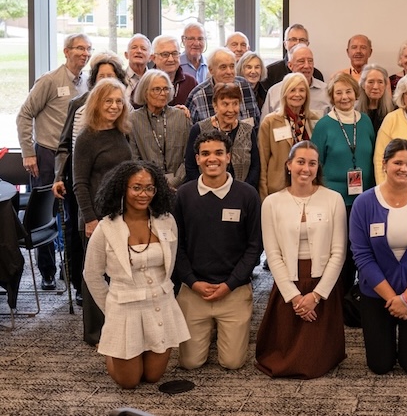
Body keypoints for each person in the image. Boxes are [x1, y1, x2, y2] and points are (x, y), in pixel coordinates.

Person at [83, 161, 189, 389]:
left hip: (160, 305)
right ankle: (112, 346)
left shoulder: (166, 221)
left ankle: (132, 349)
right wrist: (111, 308)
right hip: (125, 308)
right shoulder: (106, 228)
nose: (144, 194)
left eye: (150, 188)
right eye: (137, 188)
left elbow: (170, 265)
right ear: (122, 188)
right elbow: (92, 274)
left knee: (152, 377)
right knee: (129, 382)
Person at [349, 139, 407, 375]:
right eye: (397, 162)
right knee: (379, 365)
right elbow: (362, 256)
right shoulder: (364, 203)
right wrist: (393, 298)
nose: (404, 169)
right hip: (377, 292)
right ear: (384, 164)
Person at [257, 140, 348, 378]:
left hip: (322, 283)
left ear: (318, 168)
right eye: (300, 162)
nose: (305, 168)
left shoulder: (334, 199)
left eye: (312, 163)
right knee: (282, 358)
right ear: (288, 165)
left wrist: (316, 296)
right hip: (289, 282)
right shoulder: (271, 203)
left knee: (315, 361)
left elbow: (338, 252)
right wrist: (295, 298)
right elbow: (273, 254)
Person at [174, 130, 263, 370]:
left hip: (233, 290)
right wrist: (192, 282)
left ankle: (220, 331)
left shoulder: (247, 195)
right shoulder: (183, 195)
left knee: (232, 362)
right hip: (194, 291)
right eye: (205, 154)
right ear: (197, 159)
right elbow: (176, 247)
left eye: (218, 153)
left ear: (229, 157)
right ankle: (207, 333)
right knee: (190, 363)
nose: (212, 159)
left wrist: (231, 283)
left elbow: (255, 247)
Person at [16, 32, 90, 291]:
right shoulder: (49, 80)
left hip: (72, 156)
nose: (84, 53)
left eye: (88, 49)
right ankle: (46, 270)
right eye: (79, 48)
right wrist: (28, 152)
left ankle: (67, 268)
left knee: (71, 213)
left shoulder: (87, 83)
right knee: (45, 214)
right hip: (46, 155)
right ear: (66, 51)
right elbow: (24, 115)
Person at [74, 78, 133, 345]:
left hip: (120, 214)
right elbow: (80, 182)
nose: (114, 106)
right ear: (97, 103)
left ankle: (118, 326)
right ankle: (96, 333)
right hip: (95, 217)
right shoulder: (87, 137)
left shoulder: (121, 131)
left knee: (118, 273)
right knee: (94, 276)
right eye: (108, 101)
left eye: (119, 101)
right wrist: (90, 218)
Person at [312, 72, 376, 291]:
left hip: (365, 198)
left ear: (356, 93)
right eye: (338, 93)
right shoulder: (323, 126)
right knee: (341, 249)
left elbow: (374, 157)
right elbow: (315, 164)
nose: (344, 97)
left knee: (364, 246)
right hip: (336, 199)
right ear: (331, 97)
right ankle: (342, 293)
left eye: (348, 91)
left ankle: (362, 291)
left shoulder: (365, 121)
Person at [184, 83, 260, 187]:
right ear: (215, 106)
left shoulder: (248, 130)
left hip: (241, 194)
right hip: (206, 192)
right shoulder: (199, 129)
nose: (231, 110)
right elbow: (190, 166)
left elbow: (255, 166)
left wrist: (243, 190)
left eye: (235, 104)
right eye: (225, 104)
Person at [258, 72, 321, 199]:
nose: (297, 95)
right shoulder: (270, 121)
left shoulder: (314, 119)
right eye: (292, 90)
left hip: (309, 186)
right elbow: (262, 161)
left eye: (302, 90)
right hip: (278, 188)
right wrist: (263, 194)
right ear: (285, 93)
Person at [128, 70, 192, 190]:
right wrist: (153, 182)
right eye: (157, 89)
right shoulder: (133, 120)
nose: (163, 93)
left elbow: (189, 155)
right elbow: (134, 159)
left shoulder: (181, 116)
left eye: (166, 89)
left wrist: (175, 180)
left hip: (180, 186)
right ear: (145, 92)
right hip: (147, 187)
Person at [186, 48, 261, 125]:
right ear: (211, 70)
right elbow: (191, 132)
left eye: (232, 66)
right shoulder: (197, 96)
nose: (229, 72)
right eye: (223, 67)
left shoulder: (245, 86)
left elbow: (257, 123)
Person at [262, 45, 330, 117]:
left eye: (310, 61)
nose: (307, 66)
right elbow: (264, 126)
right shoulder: (274, 92)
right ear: (290, 65)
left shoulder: (326, 91)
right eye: (301, 61)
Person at [263, 23, 325, 91]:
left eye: (302, 40)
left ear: (307, 44)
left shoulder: (316, 74)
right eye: (293, 39)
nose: (297, 43)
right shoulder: (271, 72)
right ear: (285, 44)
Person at [149, 35, 197, 107]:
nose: (171, 59)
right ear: (153, 58)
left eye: (175, 54)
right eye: (165, 54)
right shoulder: (145, 82)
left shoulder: (190, 82)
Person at [358, 63, 394, 133]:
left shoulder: (394, 109)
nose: (375, 87)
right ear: (363, 85)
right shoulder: (355, 111)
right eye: (371, 82)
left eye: (380, 82)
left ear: (385, 85)